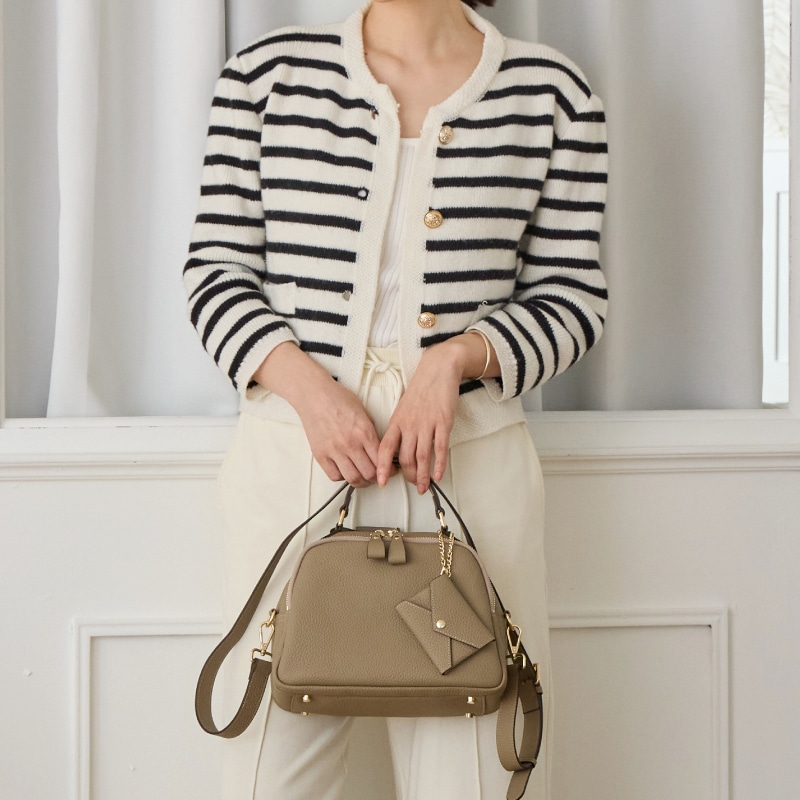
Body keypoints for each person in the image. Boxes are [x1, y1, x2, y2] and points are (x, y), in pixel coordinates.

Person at [184, 0, 608, 797]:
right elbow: (214, 274)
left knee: (478, 779)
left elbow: (573, 299)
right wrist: (310, 390)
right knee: (267, 777)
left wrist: (454, 360)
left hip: (468, 467)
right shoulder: (265, 77)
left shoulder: (553, 92)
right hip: (294, 464)